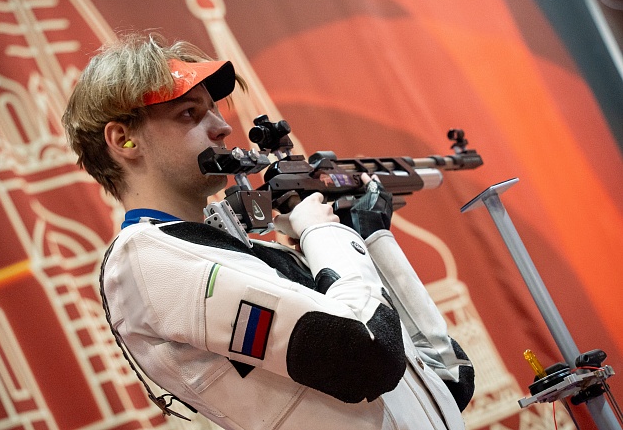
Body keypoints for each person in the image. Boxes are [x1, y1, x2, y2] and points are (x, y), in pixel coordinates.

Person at [63, 32, 475, 430]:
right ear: (124, 140)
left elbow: (449, 381)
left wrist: (370, 241)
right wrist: (325, 233)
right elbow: (368, 354)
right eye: (189, 113)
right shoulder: (150, 261)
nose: (222, 128)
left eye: (215, 109)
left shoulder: (252, 256)